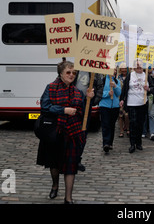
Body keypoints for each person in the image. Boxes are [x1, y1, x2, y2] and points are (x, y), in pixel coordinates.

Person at [37, 59, 93, 204]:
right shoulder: (51, 88)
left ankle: (68, 198)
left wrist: (88, 100)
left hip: (73, 134)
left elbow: (82, 113)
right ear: (61, 73)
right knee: (54, 164)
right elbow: (44, 107)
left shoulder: (78, 92)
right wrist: (63, 110)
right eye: (68, 72)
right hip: (55, 132)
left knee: (71, 166)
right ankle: (55, 185)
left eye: (74, 72)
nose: (71, 75)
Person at [120, 58, 154, 153]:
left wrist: (149, 89)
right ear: (134, 67)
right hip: (132, 103)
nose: (139, 68)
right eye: (137, 66)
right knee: (133, 123)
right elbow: (125, 88)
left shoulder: (146, 76)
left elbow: (153, 88)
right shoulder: (130, 75)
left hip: (142, 103)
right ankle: (132, 144)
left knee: (140, 123)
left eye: (140, 66)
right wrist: (122, 99)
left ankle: (139, 142)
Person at [98, 70, 121, 153]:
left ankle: (110, 142)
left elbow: (119, 93)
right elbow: (99, 93)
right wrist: (107, 93)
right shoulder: (103, 80)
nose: (113, 71)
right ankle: (106, 143)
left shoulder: (116, 81)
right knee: (105, 125)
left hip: (115, 106)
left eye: (114, 70)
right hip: (104, 106)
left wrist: (115, 86)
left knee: (112, 125)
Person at [117, 63, 130, 138]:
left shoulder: (130, 76)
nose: (124, 70)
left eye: (125, 69)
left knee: (127, 115)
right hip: (120, 98)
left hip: (128, 98)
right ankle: (121, 131)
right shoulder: (118, 77)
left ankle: (128, 128)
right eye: (123, 69)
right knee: (120, 115)